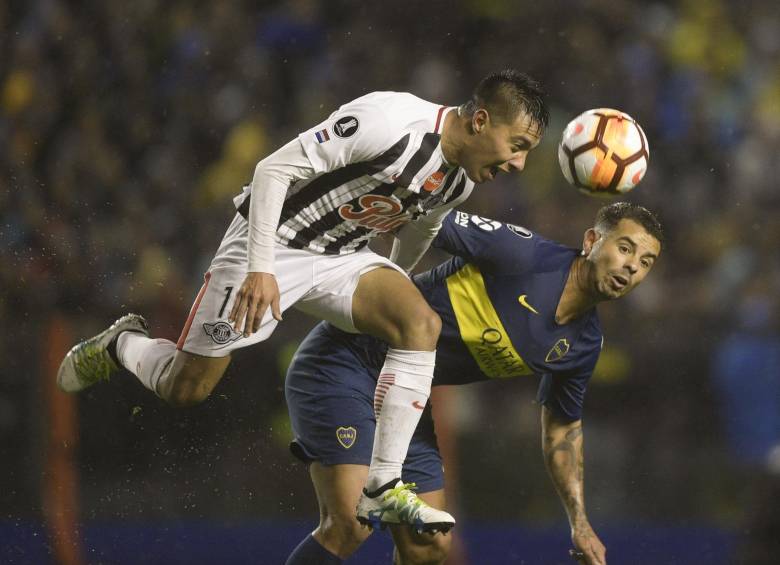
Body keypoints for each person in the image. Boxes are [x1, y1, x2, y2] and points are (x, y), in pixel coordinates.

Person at [56, 69, 549, 530]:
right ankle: (124, 343)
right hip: (272, 243)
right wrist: (260, 268)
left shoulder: (459, 179)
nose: (519, 163)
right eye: (518, 145)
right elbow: (272, 171)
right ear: (481, 120)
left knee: (419, 322)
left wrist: (394, 284)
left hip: (343, 256)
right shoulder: (391, 120)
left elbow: (421, 226)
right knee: (187, 386)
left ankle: (382, 486)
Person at [283, 202, 664, 565]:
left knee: (429, 546)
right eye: (625, 248)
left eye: (645, 262)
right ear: (592, 241)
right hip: (345, 362)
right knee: (350, 523)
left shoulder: (582, 346)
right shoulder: (523, 253)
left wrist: (579, 521)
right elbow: (422, 213)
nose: (632, 267)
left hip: (406, 401)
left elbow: (563, 428)